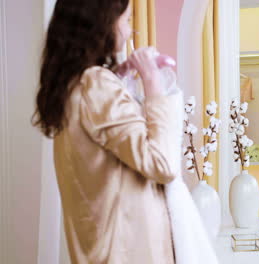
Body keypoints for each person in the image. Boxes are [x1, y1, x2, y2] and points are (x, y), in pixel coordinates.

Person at [33, 0, 217, 263]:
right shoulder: (95, 85)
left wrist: (123, 87)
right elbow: (162, 163)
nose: (130, 31)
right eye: (127, 21)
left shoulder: (74, 88)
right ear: (103, 22)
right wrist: (153, 86)